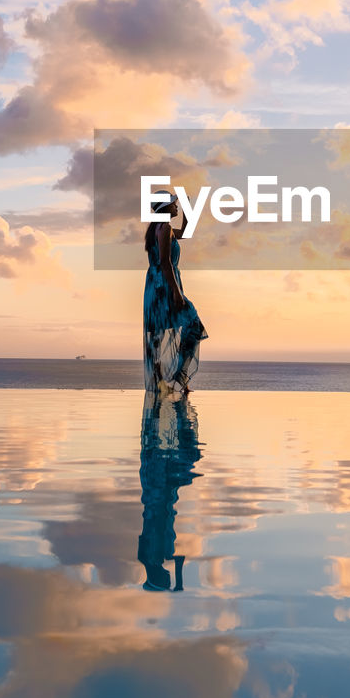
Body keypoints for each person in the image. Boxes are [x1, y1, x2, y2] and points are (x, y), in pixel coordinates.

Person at [137, 390, 202, 591]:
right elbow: (177, 559)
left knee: (185, 459)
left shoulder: (156, 556)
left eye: (166, 579)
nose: (168, 577)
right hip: (156, 500)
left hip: (159, 500)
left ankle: (165, 408)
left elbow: (179, 559)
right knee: (184, 459)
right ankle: (168, 408)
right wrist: (178, 583)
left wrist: (179, 584)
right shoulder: (147, 557)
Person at [143, 194, 207, 394]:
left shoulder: (158, 228)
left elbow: (187, 232)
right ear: (165, 208)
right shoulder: (165, 229)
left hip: (156, 283)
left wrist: (188, 211)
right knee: (193, 328)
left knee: (159, 334)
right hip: (164, 285)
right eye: (175, 204)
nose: (176, 207)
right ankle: (176, 379)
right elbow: (165, 262)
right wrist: (176, 293)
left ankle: (170, 381)